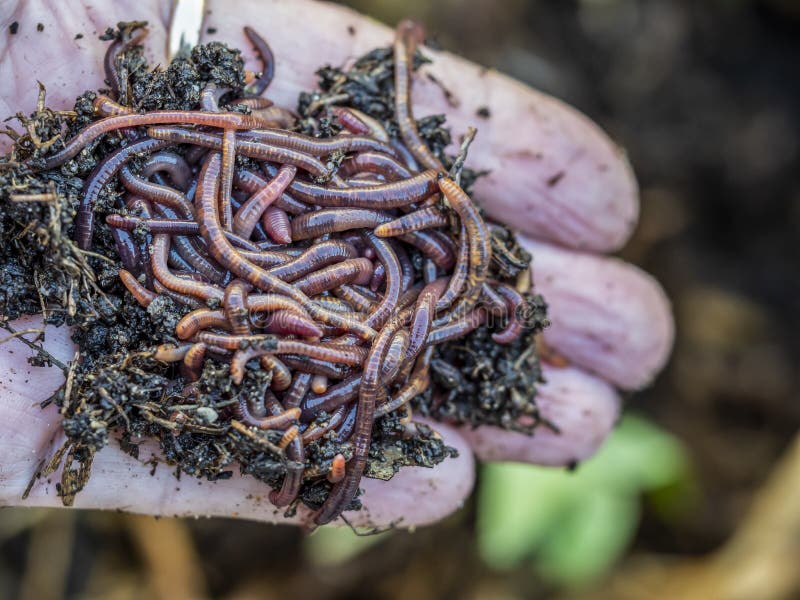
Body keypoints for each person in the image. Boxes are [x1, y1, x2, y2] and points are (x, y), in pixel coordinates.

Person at [0, 0, 673, 527]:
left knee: (230, 223)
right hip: (255, 240)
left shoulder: (394, 275)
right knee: (189, 207)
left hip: (318, 259)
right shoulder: (222, 227)